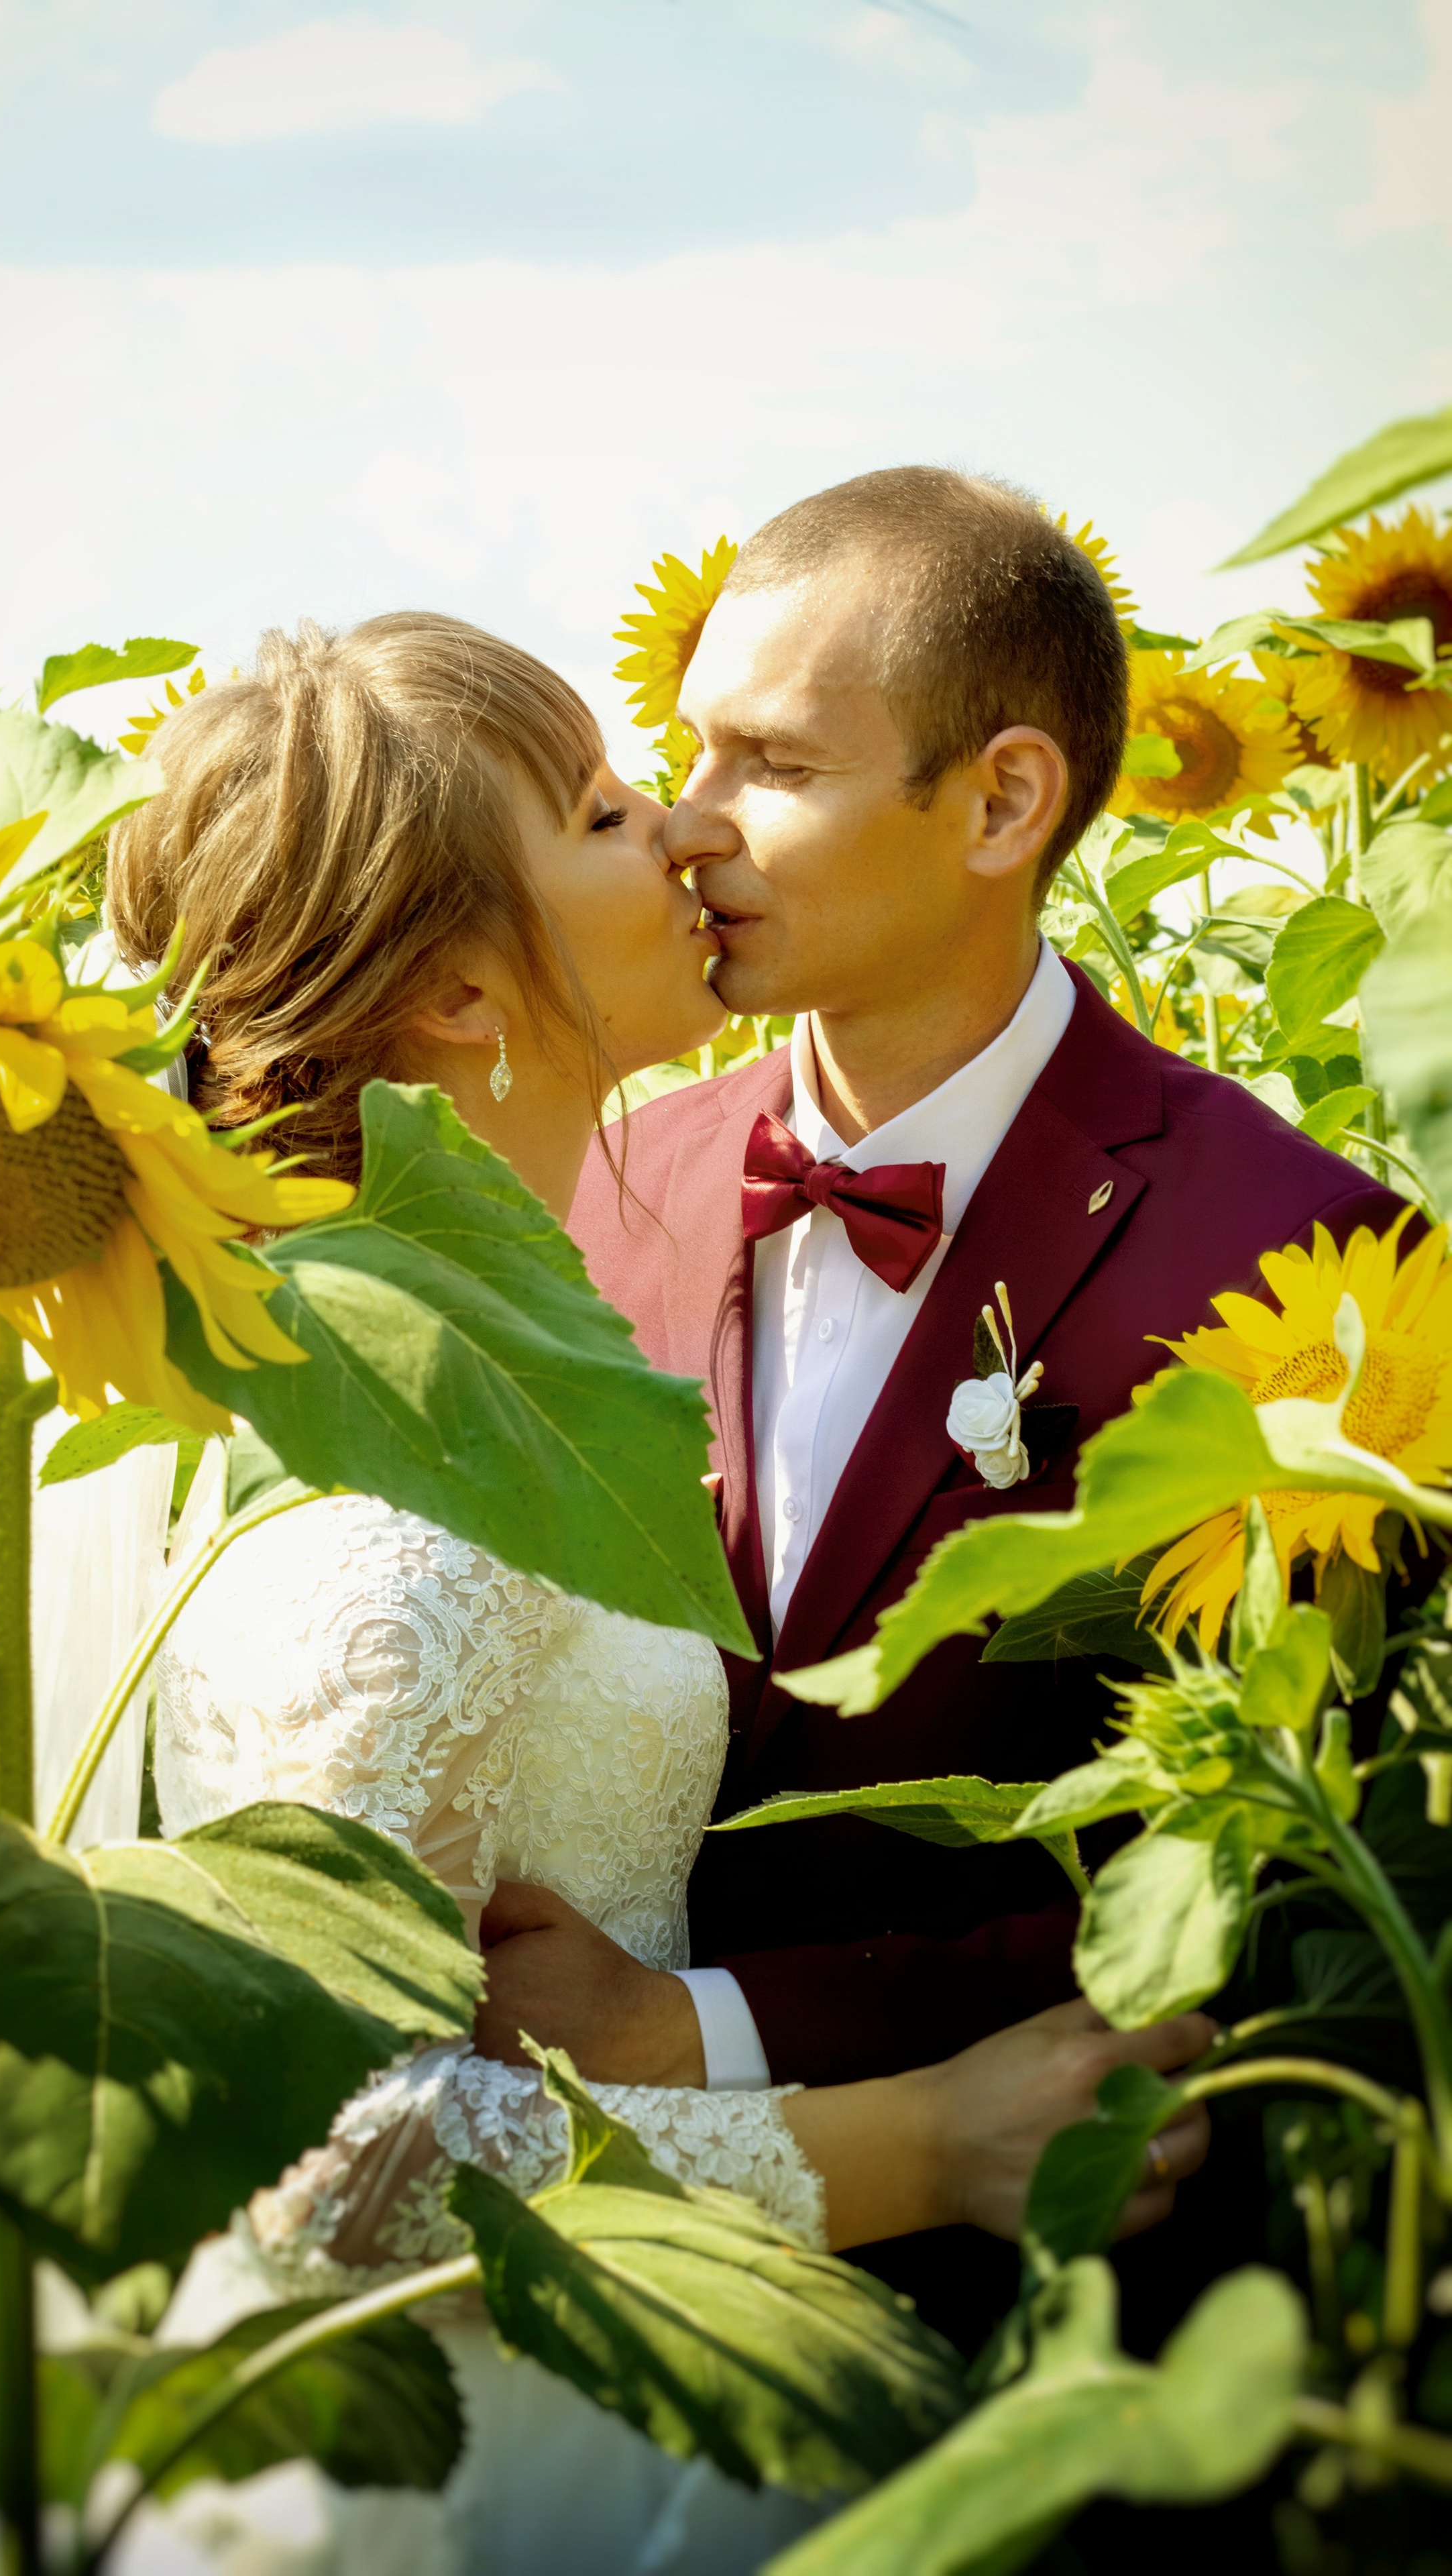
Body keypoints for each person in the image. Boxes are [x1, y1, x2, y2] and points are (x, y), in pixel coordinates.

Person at [103, 610, 1213, 2576]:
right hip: (474, 2457)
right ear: (460, 988)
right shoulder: (392, 1511)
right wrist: (929, 2143)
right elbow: (351, 2172)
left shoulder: (493, 1351)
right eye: (613, 809)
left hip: (632, 2371)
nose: (693, 836)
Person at [472, 466, 1407, 2353]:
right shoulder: (607, 1178)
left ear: (1000, 802)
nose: (688, 830)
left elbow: (1255, 1875)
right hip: (605, 2272)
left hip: (1058, 2308)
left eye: (775, 767)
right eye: (687, 755)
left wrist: (693, 2030)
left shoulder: (1313, 1261)